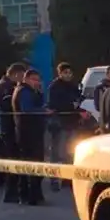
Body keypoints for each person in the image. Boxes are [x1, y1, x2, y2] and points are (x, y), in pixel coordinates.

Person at [0, 62, 27, 203]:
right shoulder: (5, 86)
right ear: (15, 74)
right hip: (7, 127)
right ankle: (10, 194)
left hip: (8, 126)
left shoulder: (6, 85)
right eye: (22, 75)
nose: (22, 79)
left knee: (14, 159)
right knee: (12, 160)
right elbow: (7, 106)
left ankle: (13, 193)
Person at [12, 69, 50, 205]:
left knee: (33, 164)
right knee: (31, 165)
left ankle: (33, 194)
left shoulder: (31, 92)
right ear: (26, 79)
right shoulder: (23, 92)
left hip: (33, 133)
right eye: (34, 80)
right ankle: (30, 196)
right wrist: (44, 111)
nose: (37, 83)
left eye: (38, 80)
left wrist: (40, 93)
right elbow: (27, 109)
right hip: (28, 134)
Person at [45, 62, 81, 192]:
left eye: (69, 73)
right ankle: (54, 180)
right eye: (65, 72)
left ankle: (67, 179)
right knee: (56, 153)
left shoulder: (72, 86)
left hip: (71, 123)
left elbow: (78, 98)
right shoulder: (54, 87)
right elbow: (54, 104)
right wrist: (71, 105)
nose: (68, 75)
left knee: (69, 153)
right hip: (59, 124)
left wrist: (78, 108)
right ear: (59, 73)